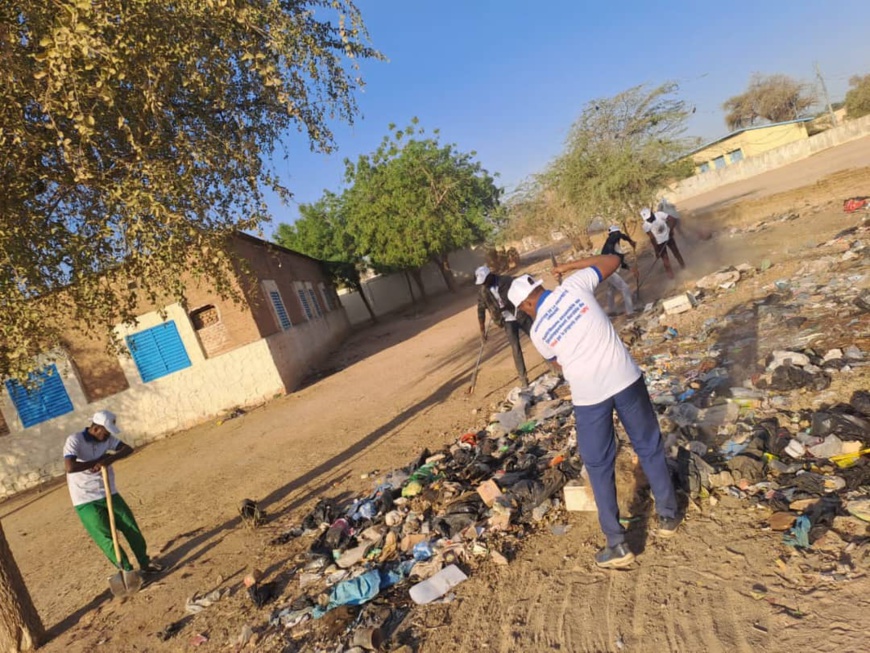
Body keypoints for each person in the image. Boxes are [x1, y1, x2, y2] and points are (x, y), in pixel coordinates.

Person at [507, 256, 680, 568]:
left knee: (599, 466)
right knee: (649, 445)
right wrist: (571, 266)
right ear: (540, 286)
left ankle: (617, 543)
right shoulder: (575, 284)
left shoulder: (538, 334)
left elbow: (558, 364)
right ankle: (668, 517)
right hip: (625, 379)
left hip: (590, 396)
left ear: (524, 308)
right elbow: (613, 259)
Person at [64, 410, 163, 576]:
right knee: (106, 537)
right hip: (85, 498)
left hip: (108, 492)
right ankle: (127, 571)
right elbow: (70, 467)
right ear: (96, 428)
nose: (108, 435)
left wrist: (108, 459)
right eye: (106, 431)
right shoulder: (75, 440)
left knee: (130, 527)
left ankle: (145, 563)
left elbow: (127, 449)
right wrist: (96, 462)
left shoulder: (107, 440)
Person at [475, 265, 532, 387]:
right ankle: (523, 379)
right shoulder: (483, 292)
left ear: (490, 275)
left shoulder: (506, 280)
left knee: (536, 338)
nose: (484, 284)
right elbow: (480, 310)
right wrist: (482, 331)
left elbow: (521, 292)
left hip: (520, 313)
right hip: (506, 320)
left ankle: (553, 364)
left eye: (485, 280)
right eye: (482, 282)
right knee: (515, 348)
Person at [600, 225, 636, 315]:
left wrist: (630, 268)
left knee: (611, 290)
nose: (617, 235)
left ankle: (611, 311)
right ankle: (630, 312)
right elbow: (618, 236)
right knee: (625, 288)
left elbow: (620, 262)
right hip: (609, 270)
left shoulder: (615, 245)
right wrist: (630, 240)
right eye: (616, 234)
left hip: (608, 270)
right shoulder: (610, 242)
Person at [640, 207, 685, 279]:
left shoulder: (659, 215)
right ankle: (671, 278)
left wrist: (671, 230)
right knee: (665, 261)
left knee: (676, 253)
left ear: (651, 213)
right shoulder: (645, 226)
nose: (649, 219)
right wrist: (656, 250)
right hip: (659, 243)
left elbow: (673, 219)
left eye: (650, 217)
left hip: (669, 238)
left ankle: (684, 268)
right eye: (647, 219)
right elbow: (652, 238)